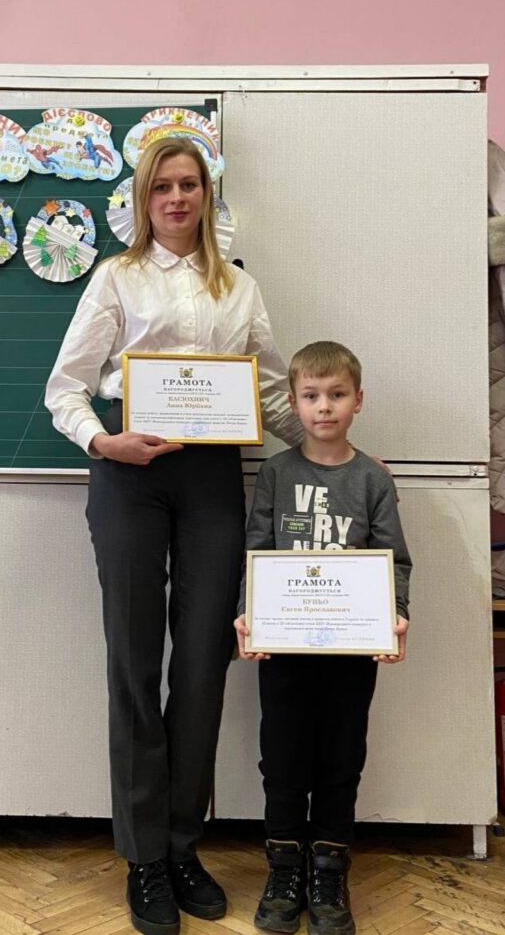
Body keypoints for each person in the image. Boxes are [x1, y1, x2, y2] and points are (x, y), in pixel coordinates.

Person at [45, 136, 302, 935]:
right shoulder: (114, 278)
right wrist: (103, 441)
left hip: (211, 475)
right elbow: (65, 388)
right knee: (133, 659)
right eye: (163, 186)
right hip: (129, 471)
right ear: (143, 198)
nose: (177, 198)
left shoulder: (239, 287)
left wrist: (333, 450)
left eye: (189, 184)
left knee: (200, 663)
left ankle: (182, 845)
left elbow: (270, 392)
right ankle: (143, 858)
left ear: (205, 196)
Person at [234, 341, 412, 935]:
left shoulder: (372, 479)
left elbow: (394, 559)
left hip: (352, 653)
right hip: (283, 650)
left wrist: (395, 616)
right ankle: (284, 871)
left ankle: (330, 873)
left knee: (341, 759)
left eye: (337, 395)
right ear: (293, 403)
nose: (324, 407)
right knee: (282, 759)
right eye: (311, 396)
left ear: (358, 400)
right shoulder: (276, 473)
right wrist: (248, 614)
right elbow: (256, 551)